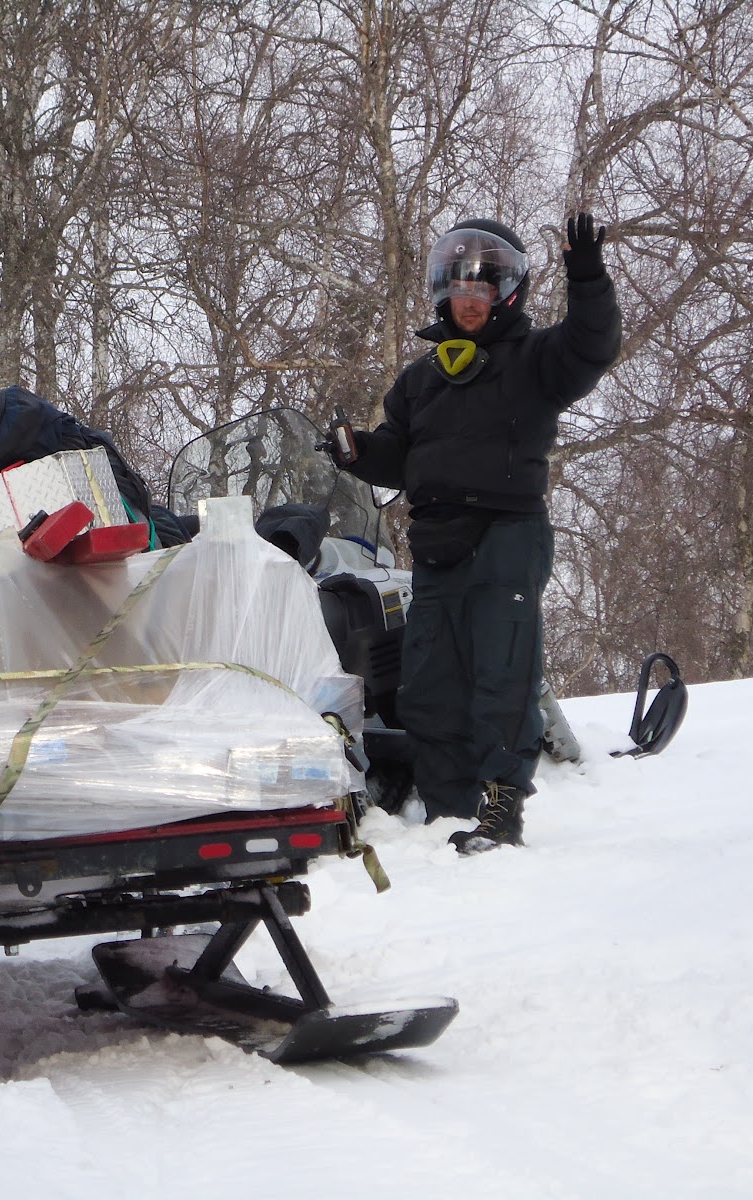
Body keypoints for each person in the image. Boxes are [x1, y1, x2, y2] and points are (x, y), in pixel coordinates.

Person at [327, 213, 620, 851]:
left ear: (505, 295)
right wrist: (357, 453)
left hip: (507, 534)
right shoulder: (419, 381)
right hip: (436, 541)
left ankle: (499, 814)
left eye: (481, 293)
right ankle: (444, 812)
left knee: (501, 675)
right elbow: (402, 459)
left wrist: (588, 275)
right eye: (460, 293)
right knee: (429, 682)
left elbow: (593, 345)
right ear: (442, 295)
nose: (469, 303)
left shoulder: (538, 359)